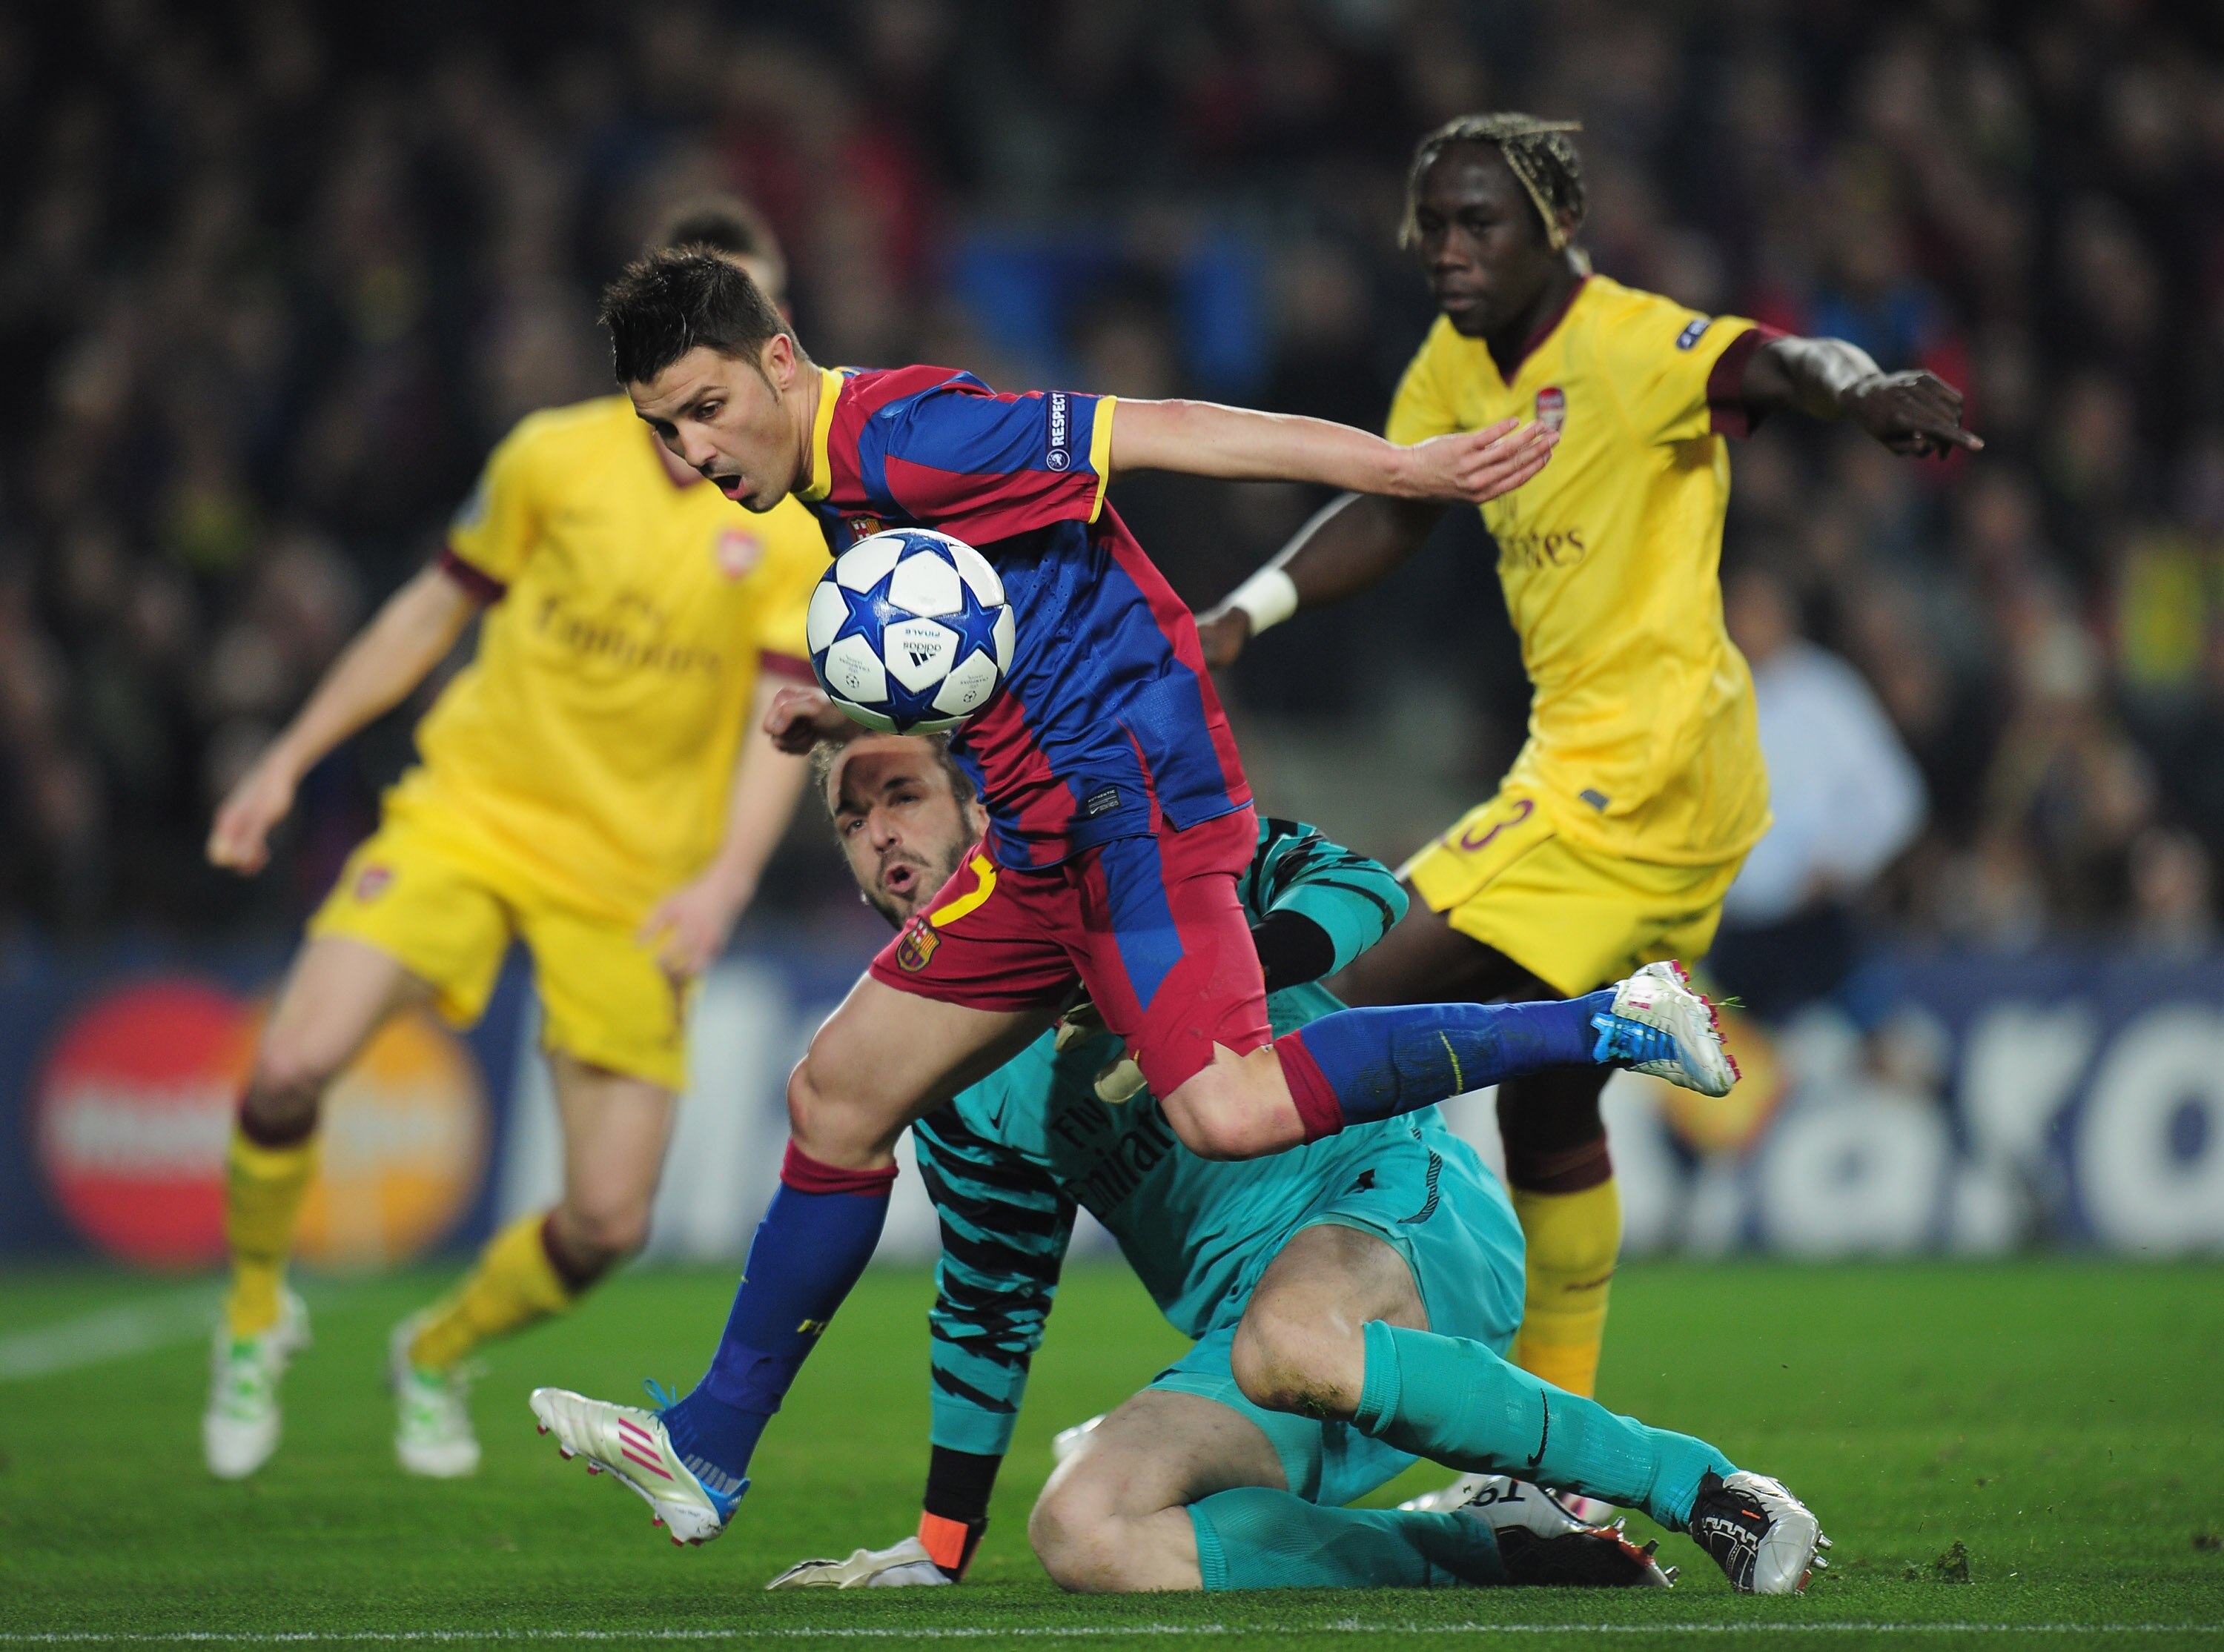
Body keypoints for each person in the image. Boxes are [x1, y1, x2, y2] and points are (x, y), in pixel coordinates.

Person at [524, 247, 1738, 1545]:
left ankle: (1614, 1017)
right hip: (1039, 834)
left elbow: (1166, 430)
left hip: (1137, 804)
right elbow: (999, 627)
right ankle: (708, 1444)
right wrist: (845, 704)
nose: (694, 448)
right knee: (836, 1093)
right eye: (666, 428)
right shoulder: (835, 475)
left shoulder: (910, 433)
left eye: (707, 408)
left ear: (778, 359)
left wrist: (1408, 468)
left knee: (1228, 1107)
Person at [1196, 113, 1980, 1405]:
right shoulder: (1455, 363)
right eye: (1433, 224)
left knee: (1336, 986)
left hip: (1640, 778)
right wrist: (1245, 613)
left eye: (1480, 222)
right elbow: (1397, 499)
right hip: (1616, 776)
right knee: (1550, 1113)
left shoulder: (1630, 342)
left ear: (1556, 226)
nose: (1448, 248)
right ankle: (1563, 1462)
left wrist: (1866, 389)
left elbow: (1784, 359)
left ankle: (1312, 1345)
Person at [738, 732, 1828, 1596]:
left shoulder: (1127, 871)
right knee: (1085, 1526)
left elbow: (1355, 882)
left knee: (1290, 1335)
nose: (878, 833)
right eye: (851, 817)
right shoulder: (944, 1075)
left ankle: (1701, 1485)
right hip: (1261, 1347)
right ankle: (1490, 1551)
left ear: (979, 803)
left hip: (1402, 1210)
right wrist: (940, 1541)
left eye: (902, 797)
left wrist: (1219, 969)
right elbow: (989, 1309)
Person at [201, 200, 827, 1482]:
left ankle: (436, 1345)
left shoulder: (781, 513)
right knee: (285, 1071)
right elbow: (427, 611)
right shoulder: (551, 458)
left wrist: (723, 879)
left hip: (635, 876)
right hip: (471, 815)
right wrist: (289, 755)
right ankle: (257, 1307)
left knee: (606, 1219)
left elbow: (780, 714)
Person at [1707, 565, 1926, 1024]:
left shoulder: (1826, 693)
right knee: (1736, 1077)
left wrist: (1845, 862)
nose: (1742, 622)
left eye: (1755, 610)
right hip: (1735, 934)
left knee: (1835, 1058)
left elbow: (1898, 799)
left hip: (1812, 930)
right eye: (1735, 611)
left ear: (1783, 615)